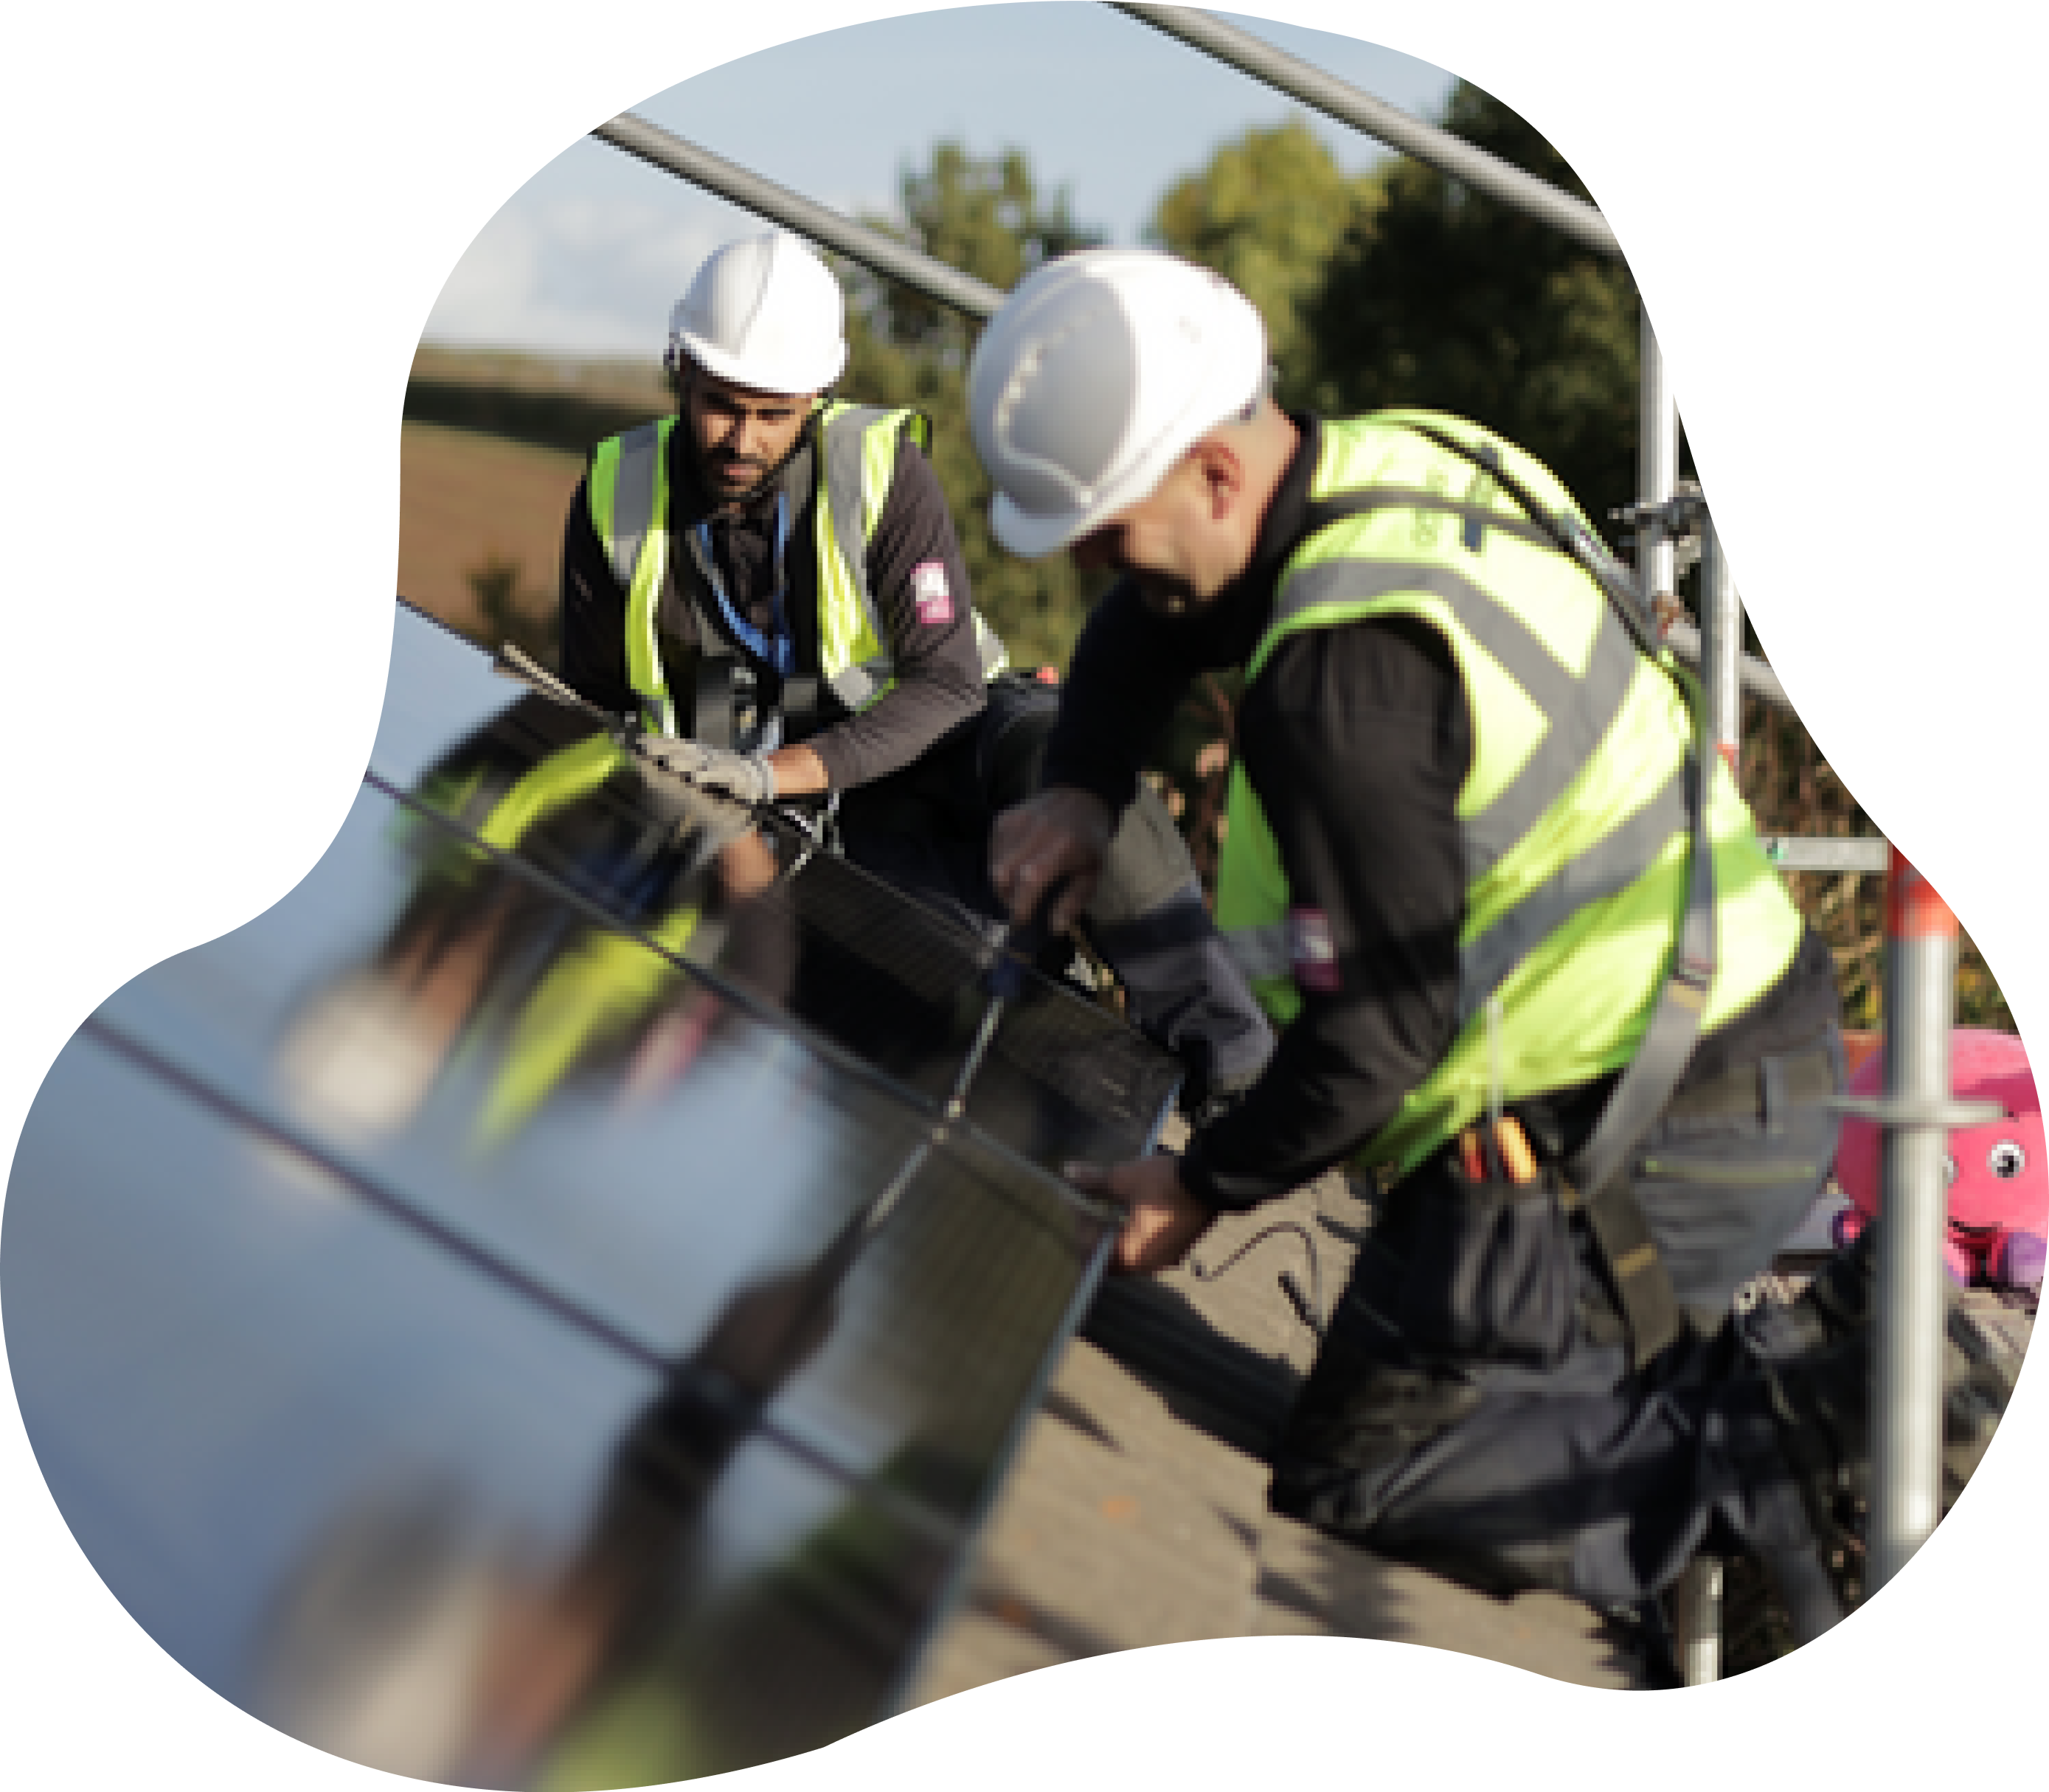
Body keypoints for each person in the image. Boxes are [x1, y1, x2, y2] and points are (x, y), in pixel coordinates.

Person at [966, 247, 2014, 1653]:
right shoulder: (1389, 461)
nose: (1096, 569)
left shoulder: (1341, 681)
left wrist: (1198, 1186)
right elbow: (1156, 622)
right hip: (1702, 1039)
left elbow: (1373, 1044)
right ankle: (1798, 1361)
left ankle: (1835, 1422)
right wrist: (1083, 786)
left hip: (1656, 1117)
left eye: (1106, 535)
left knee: (1372, 1470)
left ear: (1212, 474)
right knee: (1394, 1385)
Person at [556, 230, 1273, 1117]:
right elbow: (588, 718)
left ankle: (1236, 1075)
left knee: (1067, 759)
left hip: (944, 746)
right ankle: (1069, 1043)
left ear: (817, 396)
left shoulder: (877, 470)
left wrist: (771, 773)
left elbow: (946, 684)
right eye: (720, 406)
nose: (742, 439)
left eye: (773, 414)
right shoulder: (616, 498)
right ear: (680, 369)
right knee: (946, 979)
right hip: (805, 831)